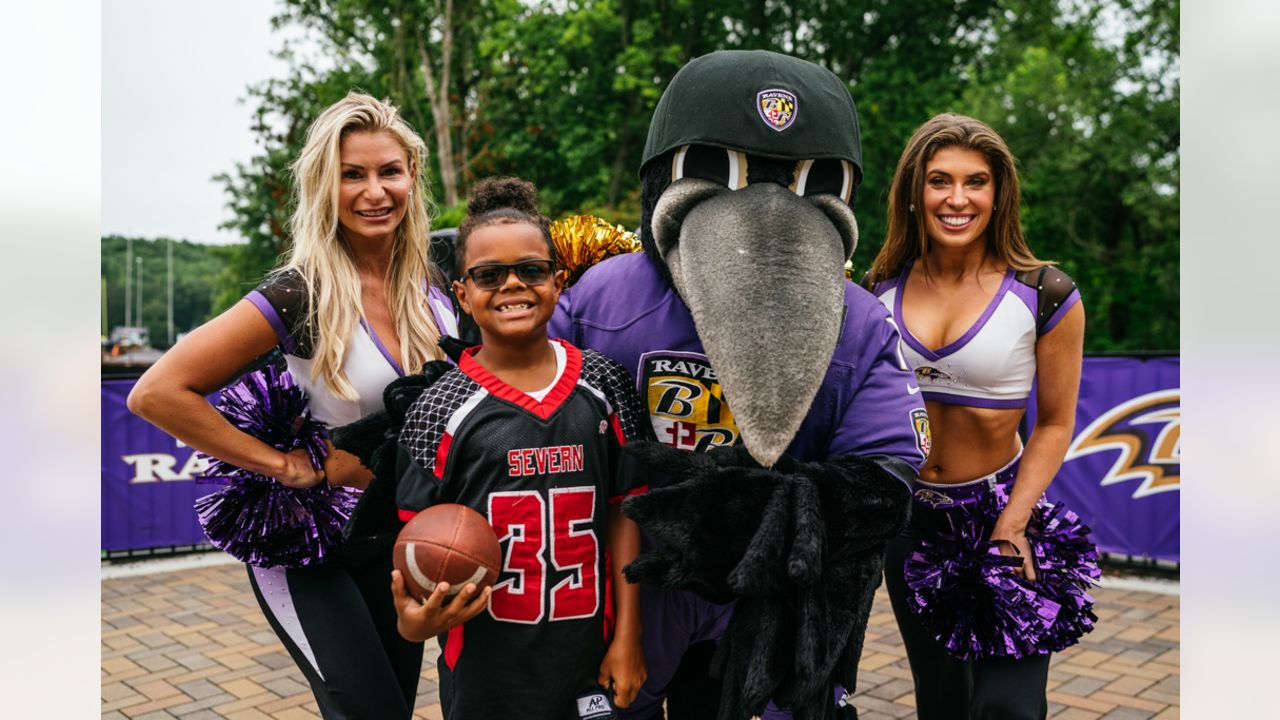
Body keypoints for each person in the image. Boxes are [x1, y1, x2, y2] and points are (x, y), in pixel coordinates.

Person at [551, 49, 927, 720]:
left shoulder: (861, 324)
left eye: (804, 183)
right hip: (630, 584)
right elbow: (532, 419)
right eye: (725, 174)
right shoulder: (600, 299)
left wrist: (787, 515)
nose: (767, 212)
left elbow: (886, 475)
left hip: (766, 598)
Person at [128, 91, 459, 719]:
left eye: (389, 171)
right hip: (308, 546)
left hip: (400, 536)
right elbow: (157, 392)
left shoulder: (437, 283)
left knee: (392, 708)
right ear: (323, 187)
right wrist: (283, 467)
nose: (374, 191)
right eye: (351, 175)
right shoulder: (298, 292)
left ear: (413, 177)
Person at [390, 177, 649, 719]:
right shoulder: (438, 408)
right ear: (462, 292)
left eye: (530, 270)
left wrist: (629, 635)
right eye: (489, 275)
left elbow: (627, 512)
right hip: (486, 671)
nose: (512, 285)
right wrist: (415, 622)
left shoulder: (606, 384)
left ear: (558, 282)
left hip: (588, 657)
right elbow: (416, 548)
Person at [865, 113, 1086, 720]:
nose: (957, 198)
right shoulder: (878, 286)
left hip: (1003, 514)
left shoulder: (1044, 292)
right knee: (943, 703)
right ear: (915, 192)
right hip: (914, 524)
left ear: (999, 194)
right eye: (940, 180)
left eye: (976, 181)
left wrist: (1013, 523)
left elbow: (1054, 424)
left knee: (1007, 707)